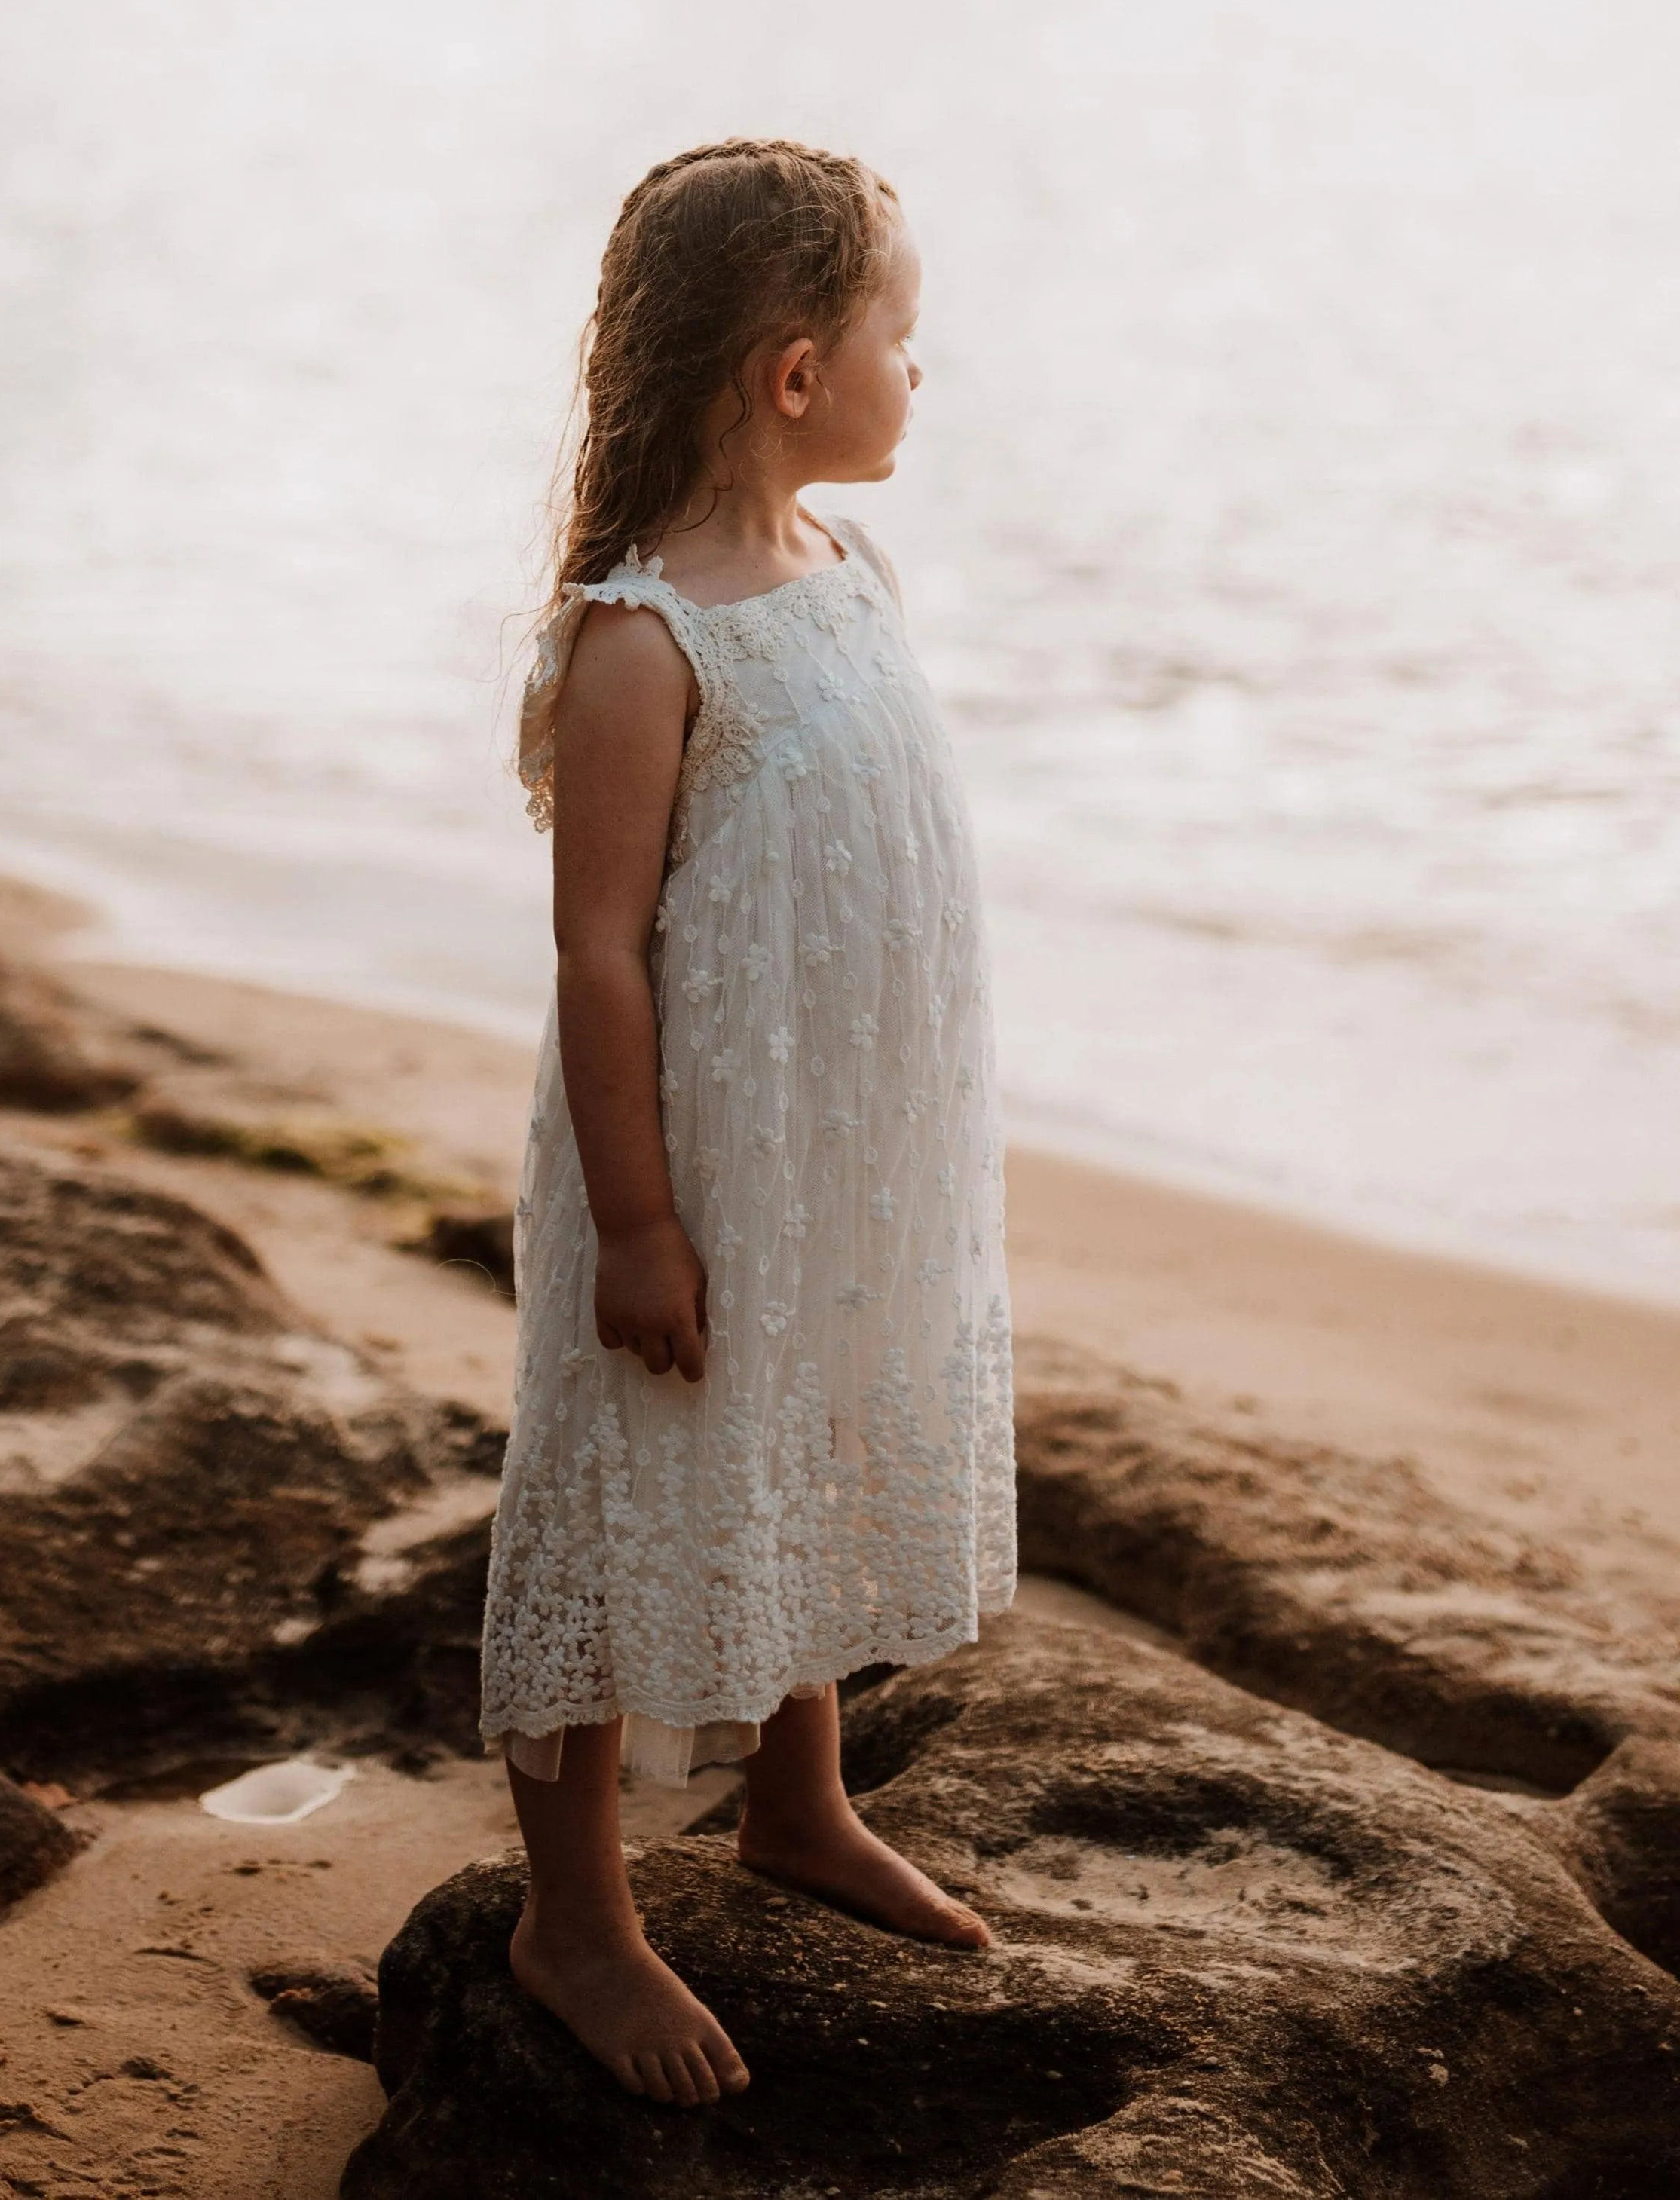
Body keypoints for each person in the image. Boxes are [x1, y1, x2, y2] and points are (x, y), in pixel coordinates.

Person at [479, 137, 1015, 2105]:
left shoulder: (849, 568)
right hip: (693, 1163)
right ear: (796, 372)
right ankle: (575, 1915)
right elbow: (599, 955)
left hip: (837, 1153)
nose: (917, 372)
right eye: (902, 335)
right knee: (623, 1501)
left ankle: (799, 1798)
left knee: (802, 1433)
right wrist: (634, 1222)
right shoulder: (644, 636)